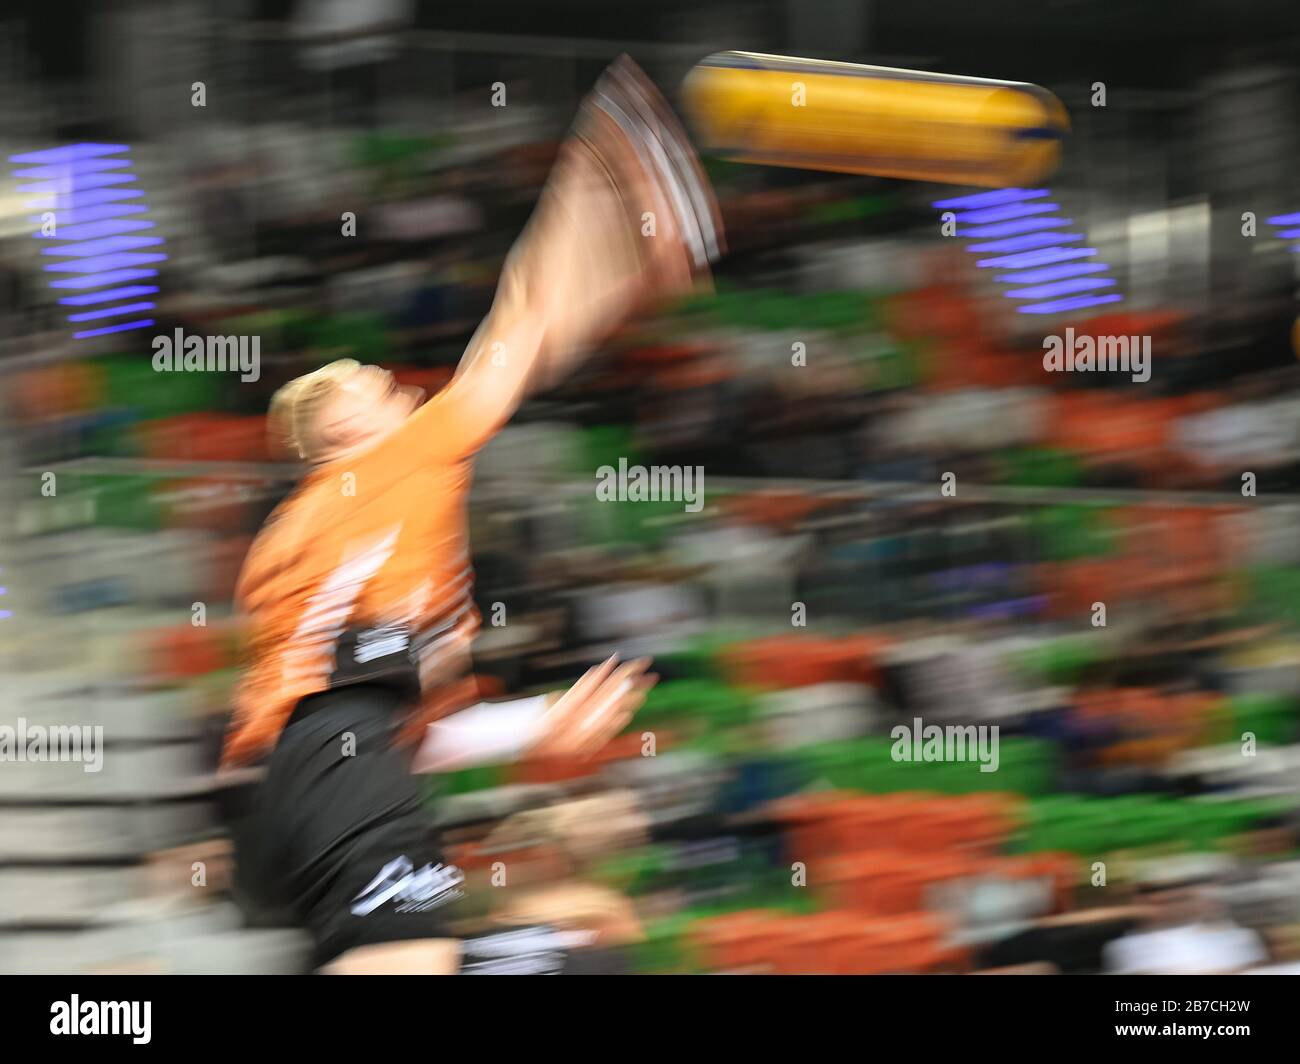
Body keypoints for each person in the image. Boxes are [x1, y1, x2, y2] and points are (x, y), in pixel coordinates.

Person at [223, 56, 722, 974]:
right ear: (337, 424)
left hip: (321, 782)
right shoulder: (391, 460)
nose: (406, 387)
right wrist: (613, 177)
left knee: (541, 961)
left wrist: (536, 724)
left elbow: (412, 727)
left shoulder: (324, 544)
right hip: (345, 774)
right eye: (378, 385)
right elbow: (526, 319)